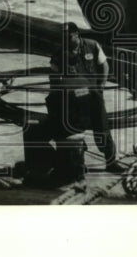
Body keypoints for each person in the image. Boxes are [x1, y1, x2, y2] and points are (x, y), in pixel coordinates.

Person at [47, 23, 120, 173]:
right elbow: (53, 77)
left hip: (92, 95)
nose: (66, 41)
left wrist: (102, 85)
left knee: (102, 126)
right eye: (63, 38)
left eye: (69, 37)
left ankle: (111, 161)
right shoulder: (59, 52)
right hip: (73, 97)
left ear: (77, 35)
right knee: (71, 129)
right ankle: (78, 161)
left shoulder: (92, 46)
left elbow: (104, 66)